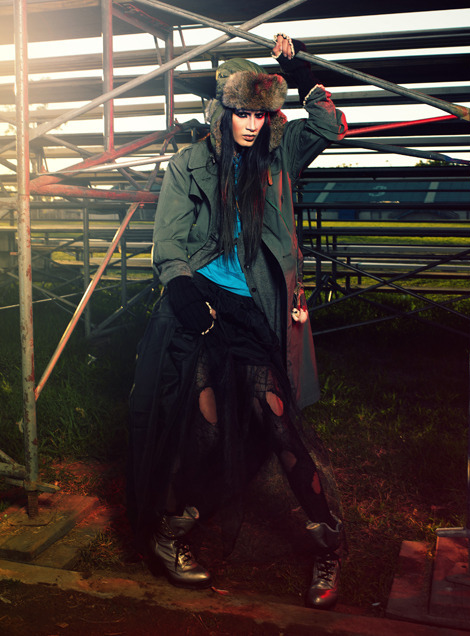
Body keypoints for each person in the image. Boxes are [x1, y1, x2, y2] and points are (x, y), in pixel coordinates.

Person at [128, 34, 348, 611]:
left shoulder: (280, 151)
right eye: (242, 112)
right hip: (199, 310)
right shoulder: (189, 164)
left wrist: (299, 69)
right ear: (221, 111)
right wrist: (183, 293)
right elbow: (168, 245)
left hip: (254, 311)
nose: (251, 124)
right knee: (204, 428)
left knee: (276, 420)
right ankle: (169, 535)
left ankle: (330, 542)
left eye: (260, 112)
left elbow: (329, 127)